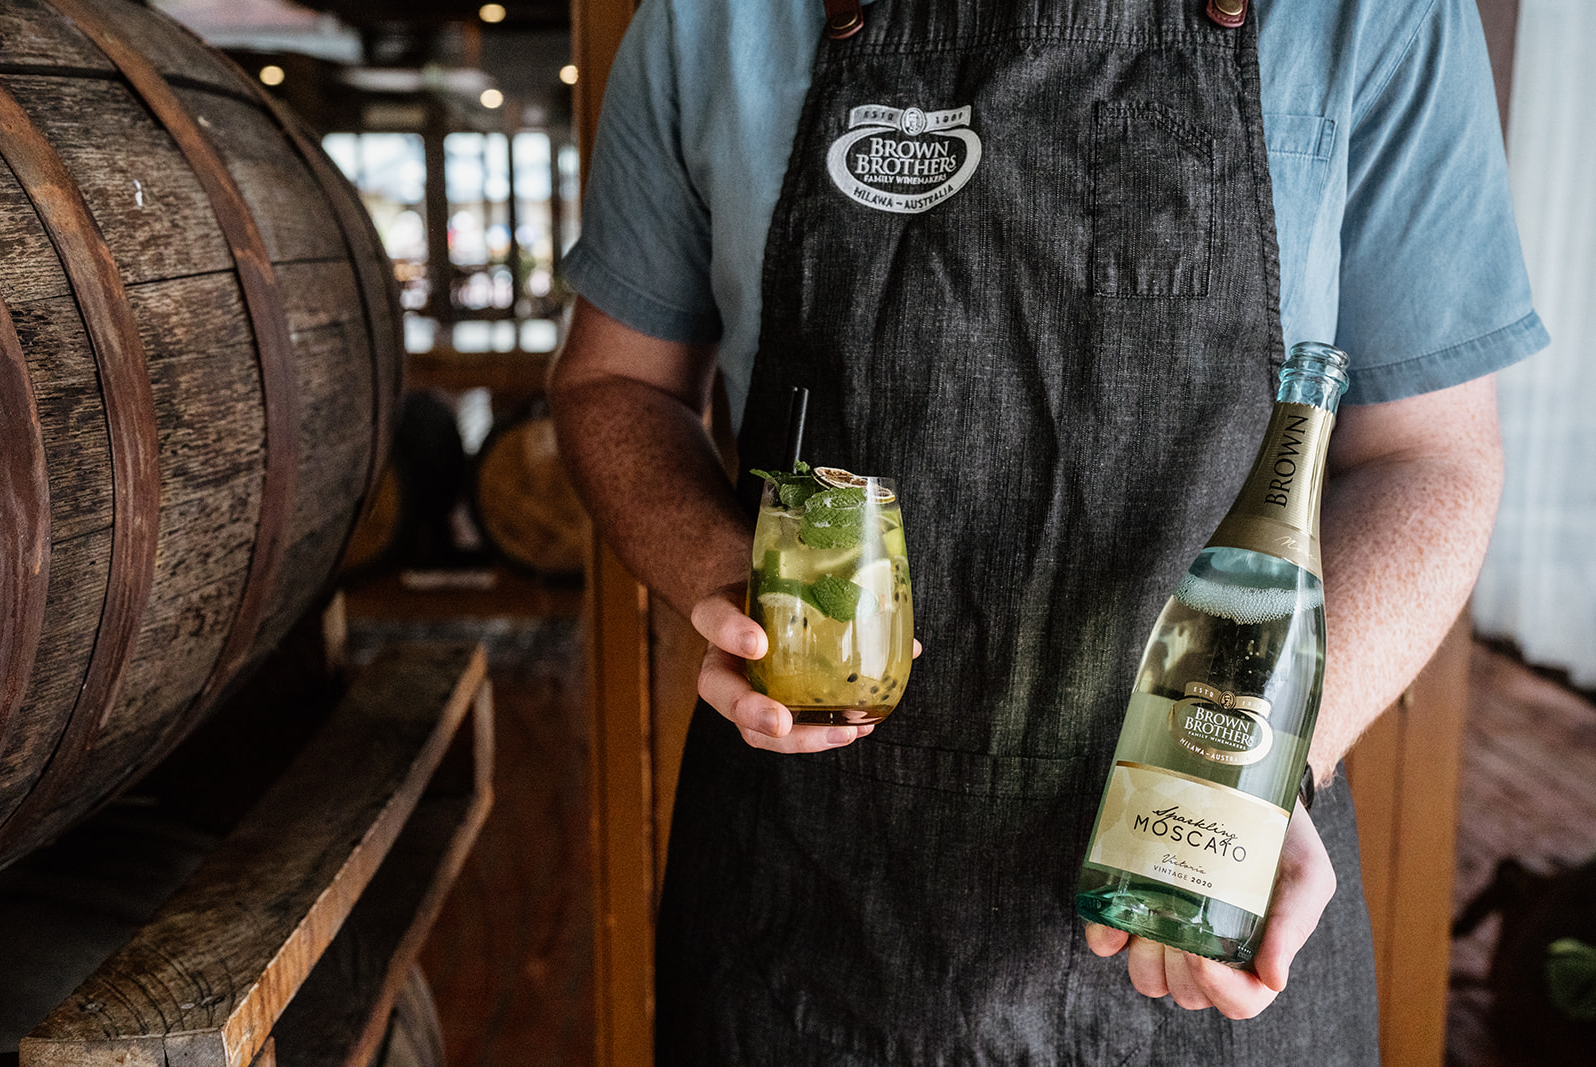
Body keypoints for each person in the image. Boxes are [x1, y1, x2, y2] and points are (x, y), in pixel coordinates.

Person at [548, 0, 1549, 1062]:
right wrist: (734, 586)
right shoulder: (713, 18)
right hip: (807, 905)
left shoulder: (1371, 12)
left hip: (1203, 877)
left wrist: (1262, 779)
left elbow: (1427, 455)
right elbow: (614, 383)